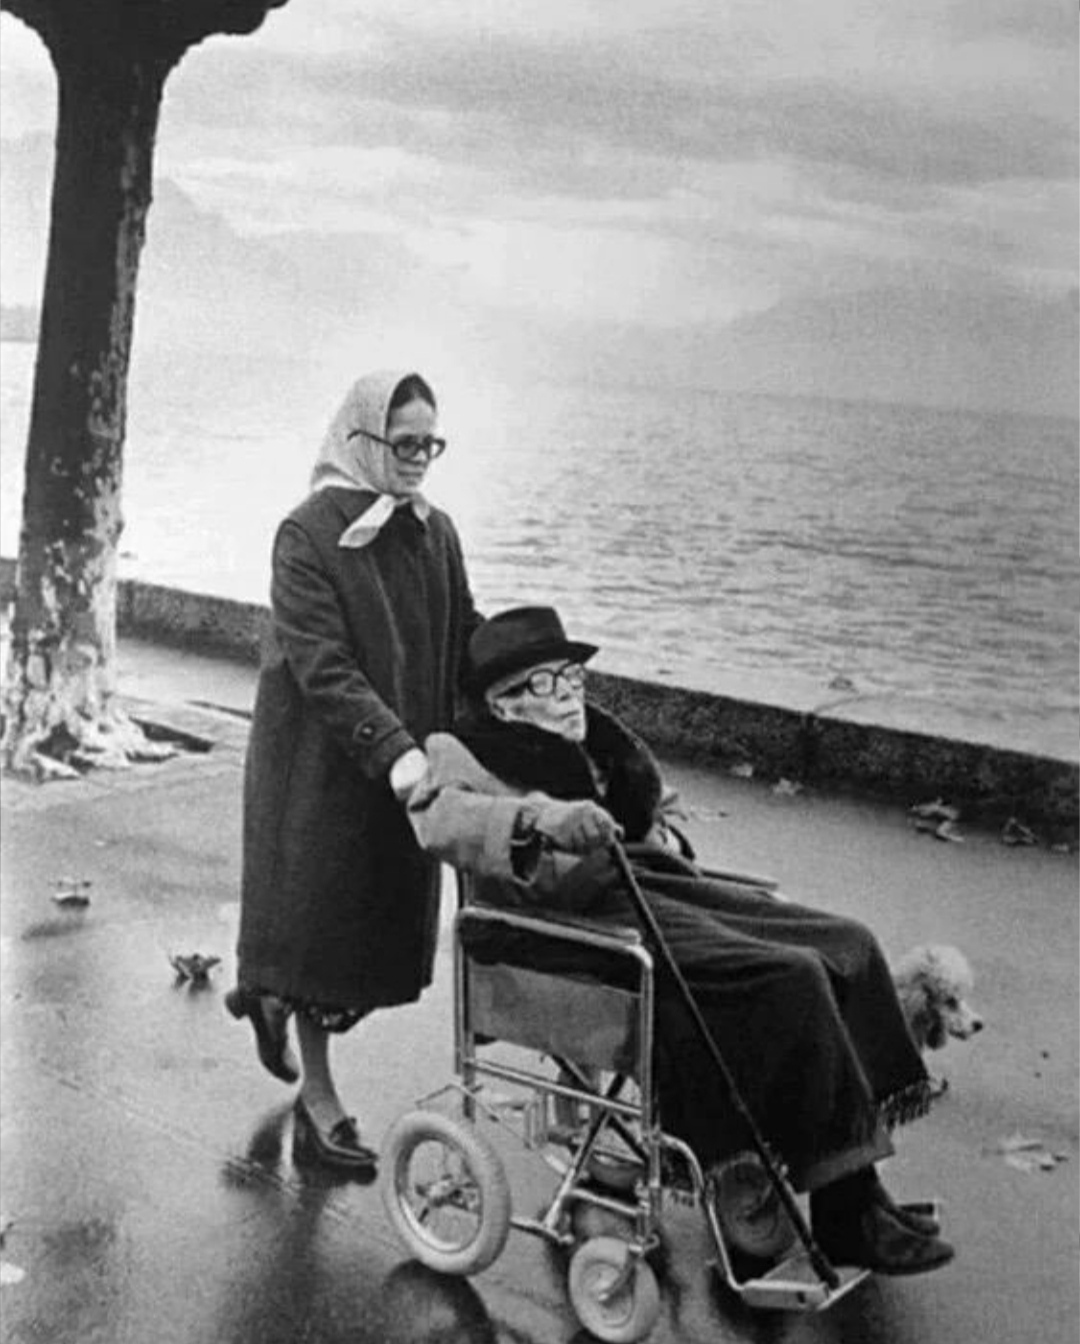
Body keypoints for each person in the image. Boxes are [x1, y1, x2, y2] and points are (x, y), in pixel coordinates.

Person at [404, 605, 956, 1275]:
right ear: (505, 701)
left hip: (652, 885)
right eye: (551, 683)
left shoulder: (598, 742)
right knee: (789, 975)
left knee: (847, 944)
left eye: (573, 678)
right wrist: (545, 818)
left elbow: (642, 816)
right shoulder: (458, 750)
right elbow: (442, 820)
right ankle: (847, 1208)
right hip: (573, 924)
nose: (572, 696)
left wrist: (654, 818)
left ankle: (861, 1181)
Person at [226, 369, 480, 1172]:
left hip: (404, 763)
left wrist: (531, 687)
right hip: (322, 770)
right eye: (403, 445)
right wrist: (396, 751)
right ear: (362, 439)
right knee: (321, 933)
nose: (417, 461)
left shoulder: (434, 532)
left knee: (378, 939)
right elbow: (323, 666)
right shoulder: (304, 533)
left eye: (429, 445)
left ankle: (268, 994)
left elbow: (465, 636)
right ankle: (319, 1093)